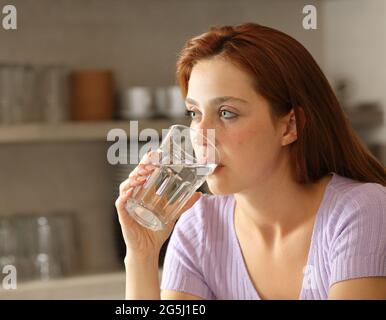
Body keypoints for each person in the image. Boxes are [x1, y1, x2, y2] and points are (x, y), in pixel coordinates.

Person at [115, 23, 386, 300]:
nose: (202, 136)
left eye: (226, 113)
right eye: (194, 113)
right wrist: (141, 255)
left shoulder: (359, 211)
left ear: (289, 126)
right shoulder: (198, 228)